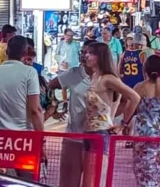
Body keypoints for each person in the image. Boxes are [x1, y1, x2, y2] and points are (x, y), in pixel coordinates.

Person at [48, 41, 140, 187]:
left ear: (100, 57)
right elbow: (52, 85)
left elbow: (134, 97)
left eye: (90, 53)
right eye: (85, 52)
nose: (86, 56)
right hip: (86, 134)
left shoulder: (108, 78)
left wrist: (122, 124)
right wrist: (56, 106)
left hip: (99, 135)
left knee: (92, 183)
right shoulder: (89, 76)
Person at [130, 55, 160, 187]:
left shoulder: (139, 87)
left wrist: (125, 122)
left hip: (144, 134)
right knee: (158, 168)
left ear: (145, 69)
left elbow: (131, 108)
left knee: (144, 171)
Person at [0, 35, 44, 131]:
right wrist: (41, 137)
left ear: (7, 52)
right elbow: (35, 110)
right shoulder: (30, 72)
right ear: (25, 52)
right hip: (24, 136)